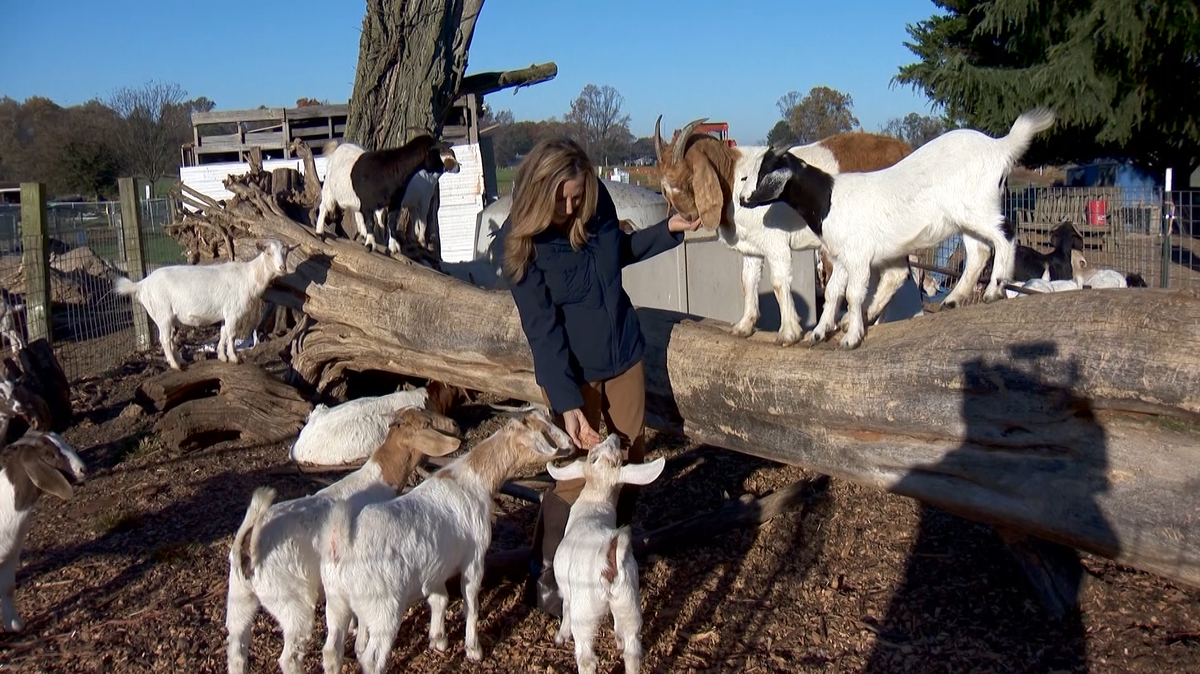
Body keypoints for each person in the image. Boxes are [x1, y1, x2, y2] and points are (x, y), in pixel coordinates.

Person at [493, 137, 701, 616]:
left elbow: (618, 251)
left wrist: (667, 229)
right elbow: (542, 333)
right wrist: (567, 404)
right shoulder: (520, 244)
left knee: (627, 460)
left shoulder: (594, 199)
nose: (571, 207)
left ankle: (609, 558)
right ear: (538, 194)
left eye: (577, 196)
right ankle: (548, 569)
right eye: (561, 200)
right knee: (574, 478)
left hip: (624, 353)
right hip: (571, 373)